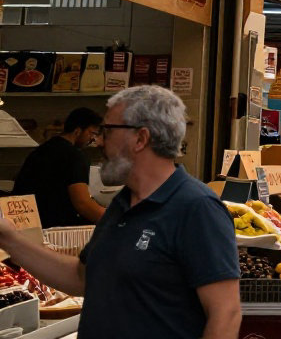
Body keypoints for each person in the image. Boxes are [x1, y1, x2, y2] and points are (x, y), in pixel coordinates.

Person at [0, 86, 240, 339]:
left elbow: (226, 314)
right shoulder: (122, 204)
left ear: (140, 138)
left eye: (108, 131)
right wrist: (8, 238)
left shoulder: (196, 207)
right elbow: (82, 277)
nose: (100, 141)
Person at [13, 107, 105, 226]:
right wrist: (114, 220)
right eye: (91, 133)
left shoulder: (41, 150)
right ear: (77, 131)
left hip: (26, 224)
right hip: (56, 227)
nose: (92, 139)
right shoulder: (74, 156)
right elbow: (83, 203)